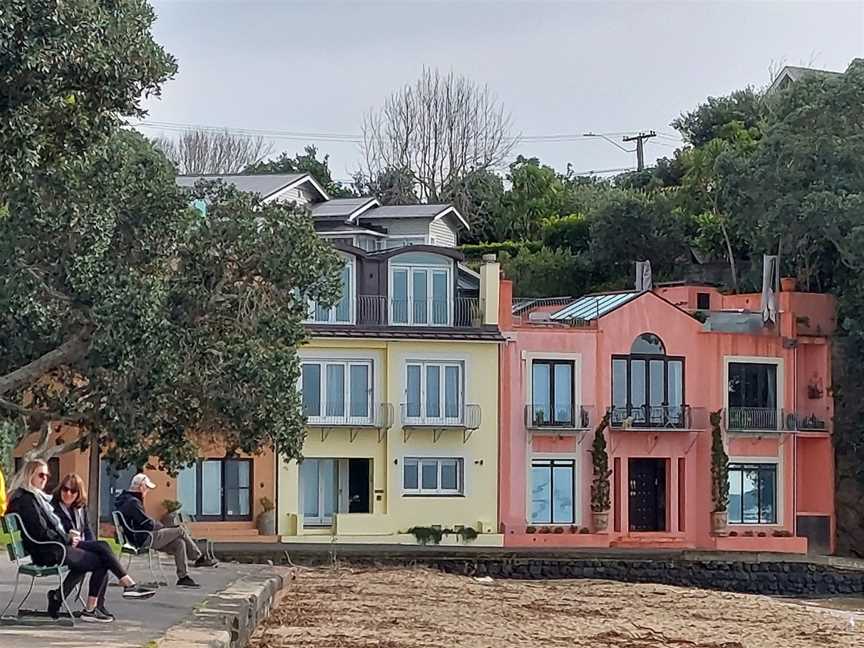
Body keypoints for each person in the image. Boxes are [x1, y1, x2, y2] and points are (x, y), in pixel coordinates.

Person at [7, 460, 153, 623]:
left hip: (53, 547)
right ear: (29, 475)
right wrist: (67, 537)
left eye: (46, 475)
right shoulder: (26, 500)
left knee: (102, 553)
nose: (44, 479)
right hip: (47, 551)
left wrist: (66, 537)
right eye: (41, 475)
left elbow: (49, 530)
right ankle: (118, 590)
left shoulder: (36, 498)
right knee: (102, 557)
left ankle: (79, 602)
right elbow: (40, 532)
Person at [51, 473, 155, 620]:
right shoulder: (53, 509)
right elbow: (55, 532)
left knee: (101, 555)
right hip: (61, 548)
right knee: (103, 553)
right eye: (65, 489)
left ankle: (88, 606)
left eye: (73, 491)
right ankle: (120, 589)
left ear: (78, 493)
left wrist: (91, 546)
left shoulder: (80, 508)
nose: (68, 493)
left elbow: (87, 530)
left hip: (77, 546)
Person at [115, 473, 217, 588]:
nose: (147, 491)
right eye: (147, 488)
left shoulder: (127, 500)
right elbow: (146, 524)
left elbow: (143, 522)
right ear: (141, 487)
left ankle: (183, 577)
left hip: (139, 537)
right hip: (144, 538)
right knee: (180, 530)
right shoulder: (133, 502)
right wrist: (161, 527)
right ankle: (199, 557)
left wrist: (159, 527)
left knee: (179, 543)